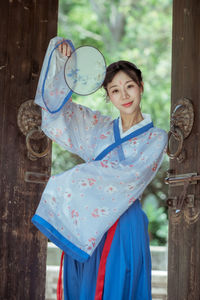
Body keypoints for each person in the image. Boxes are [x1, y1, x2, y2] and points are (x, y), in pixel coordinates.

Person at [32, 37, 167, 300]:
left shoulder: (156, 137)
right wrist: (63, 63)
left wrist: (70, 181)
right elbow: (58, 115)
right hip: (87, 228)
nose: (124, 95)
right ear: (108, 96)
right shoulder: (99, 127)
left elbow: (130, 176)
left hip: (124, 226)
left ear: (141, 87)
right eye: (115, 90)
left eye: (129, 86)